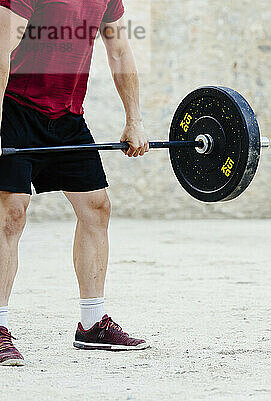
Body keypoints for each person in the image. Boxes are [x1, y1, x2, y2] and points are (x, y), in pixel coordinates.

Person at [0, 0, 150, 366]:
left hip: (67, 115)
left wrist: (134, 120)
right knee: (11, 211)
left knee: (96, 208)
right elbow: (1, 49)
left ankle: (92, 323)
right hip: (14, 106)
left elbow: (118, 50)